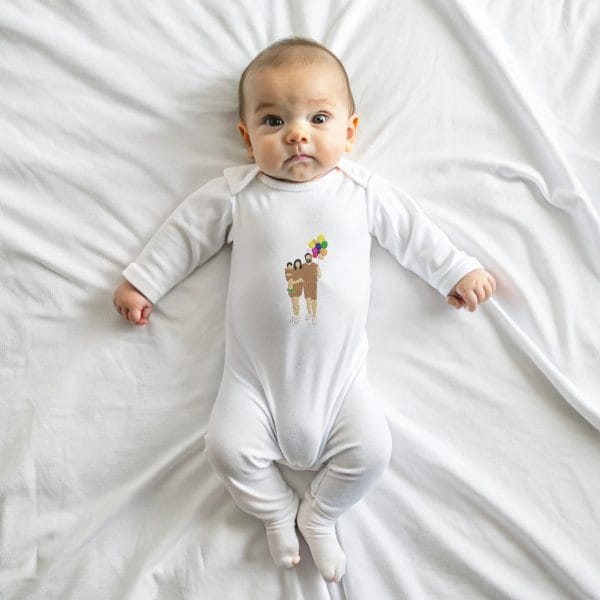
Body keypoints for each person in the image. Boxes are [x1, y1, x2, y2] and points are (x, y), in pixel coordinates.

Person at [113, 37, 496, 583]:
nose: (297, 134)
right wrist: (144, 282)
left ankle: (321, 515)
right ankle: (274, 511)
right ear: (246, 139)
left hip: (342, 384)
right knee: (226, 450)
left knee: (372, 452)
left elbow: (414, 235)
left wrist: (456, 270)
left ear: (350, 131)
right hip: (253, 384)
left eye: (318, 117)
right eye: (273, 122)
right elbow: (184, 237)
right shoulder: (237, 193)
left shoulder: (360, 190)